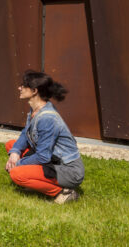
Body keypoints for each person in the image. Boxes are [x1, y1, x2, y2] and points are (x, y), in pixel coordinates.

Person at [5, 70, 84, 204]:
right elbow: (26, 132)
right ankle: (34, 180)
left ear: (34, 91)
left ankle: (62, 193)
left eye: (23, 85)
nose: (19, 88)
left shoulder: (47, 118)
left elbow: (43, 157)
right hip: (52, 160)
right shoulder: (36, 109)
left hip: (68, 170)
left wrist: (17, 164)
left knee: (16, 174)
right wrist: (15, 153)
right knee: (12, 145)